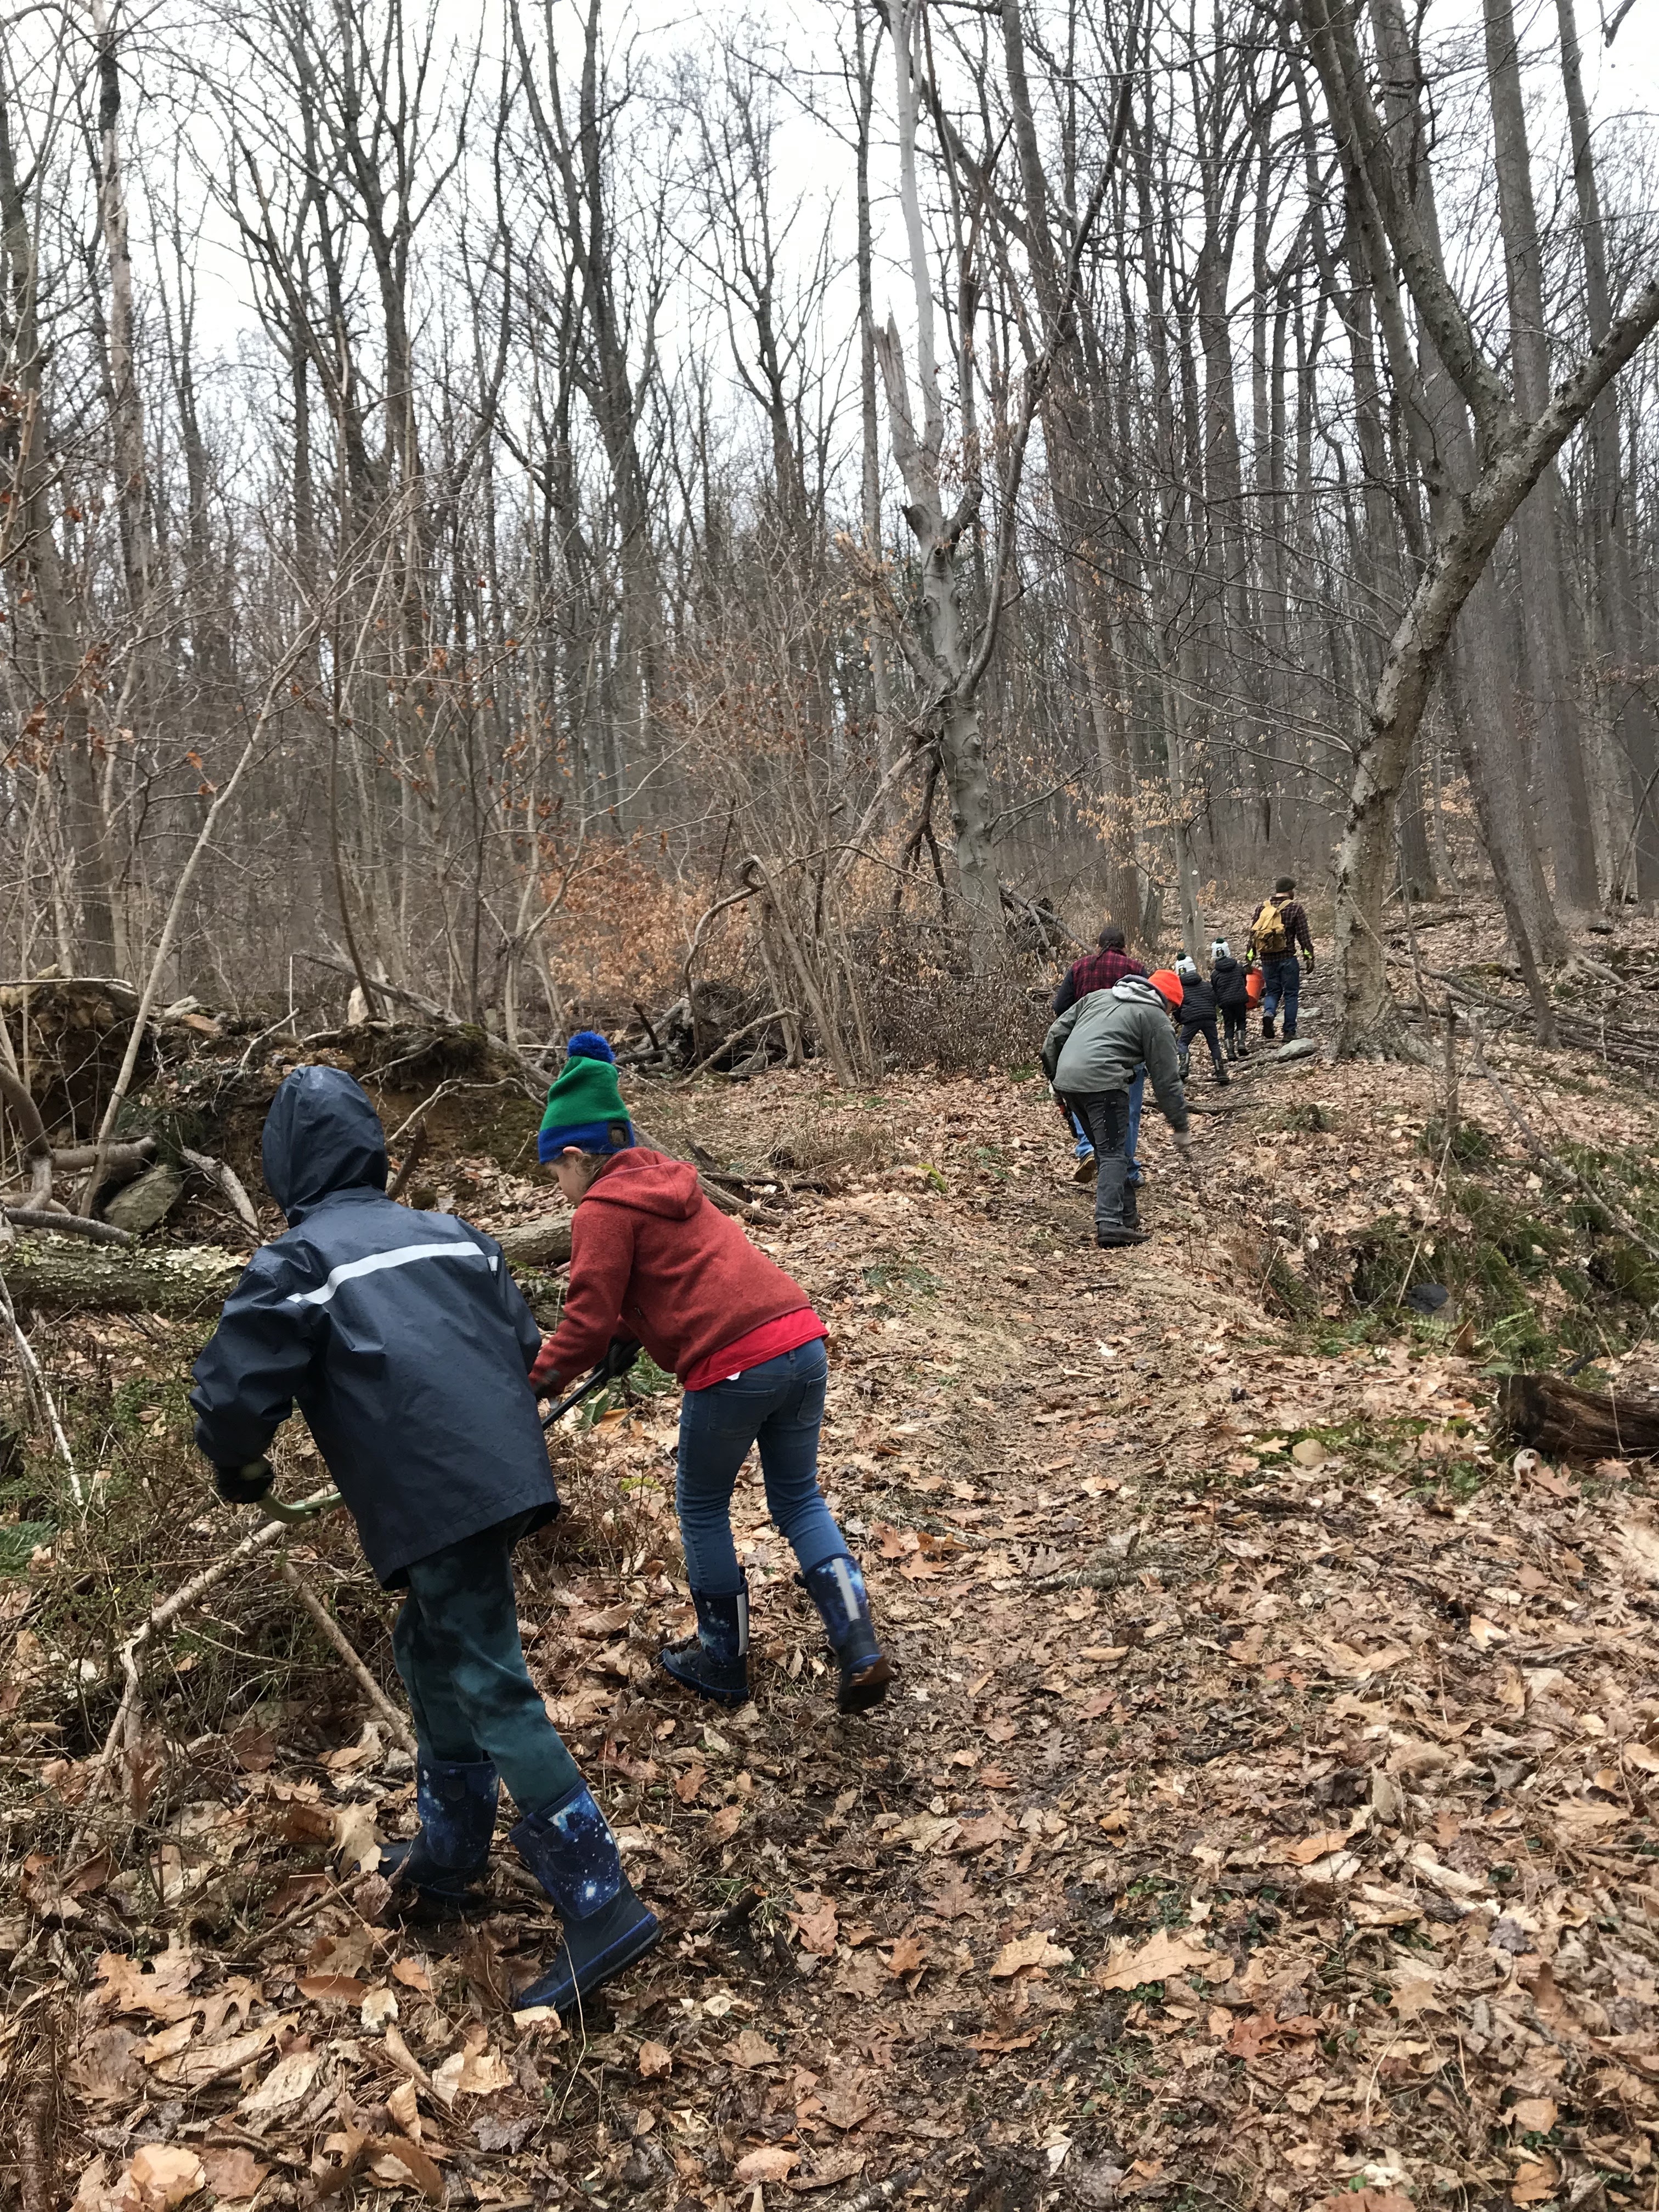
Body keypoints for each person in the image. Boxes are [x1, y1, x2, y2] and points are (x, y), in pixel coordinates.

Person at [189, 1066, 658, 2015]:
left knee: (488, 1676)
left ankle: (601, 1900)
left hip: (433, 1494)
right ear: (371, 1144)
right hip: (499, 1476)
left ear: (284, 1164)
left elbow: (237, 1390)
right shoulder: (454, 1236)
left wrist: (238, 1468)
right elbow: (522, 1344)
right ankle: (450, 1853)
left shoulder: (299, 1262)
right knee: (428, 1644)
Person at [527, 1034, 891, 1717]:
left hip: (734, 1368)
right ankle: (859, 1644)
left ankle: (723, 1660)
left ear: (576, 1156)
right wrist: (626, 1339)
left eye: (556, 1174)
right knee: (799, 1500)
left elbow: (582, 1321)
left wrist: (531, 1386)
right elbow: (681, 1275)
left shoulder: (600, 1211)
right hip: (802, 1342)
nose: (559, 1188)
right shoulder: (666, 1180)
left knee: (700, 1508)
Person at [1041, 970, 1194, 1247]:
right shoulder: (1155, 1018)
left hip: (1069, 1082)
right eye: (1173, 1008)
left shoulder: (1098, 998)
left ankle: (1127, 1214)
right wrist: (1180, 1126)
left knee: (1105, 1148)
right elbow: (1167, 1080)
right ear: (1168, 1001)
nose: (1171, 1014)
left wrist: (1055, 1080)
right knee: (1113, 1152)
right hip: (1105, 1084)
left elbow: (1055, 1034)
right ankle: (1109, 1224)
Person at [1052, 926, 1149, 1191]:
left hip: (1083, 1046)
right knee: (1128, 1111)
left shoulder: (1080, 968)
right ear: (1124, 946)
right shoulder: (1136, 969)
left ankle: (1088, 1149)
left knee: (1084, 1104)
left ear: (1099, 945)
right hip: (1126, 1051)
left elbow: (1060, 1007)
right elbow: (1149, 1007)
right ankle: (1127, 1168)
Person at [1247, 876, 1316, 1042]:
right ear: (1290, 890)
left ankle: (1269, 1013)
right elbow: (1303, 936)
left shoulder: (1261, 909)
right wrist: (1309, 957)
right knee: (1291, 994)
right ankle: (1289, 1031)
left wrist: (1250, 958)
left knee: (1272, 991)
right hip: (1288, 959)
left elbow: (1253, 936)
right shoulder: (1295, 909)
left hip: (1267, 960)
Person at [1175, 955, 1229, 1086]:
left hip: (1191, 1019)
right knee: (1214, 1045)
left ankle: (1184, 1067)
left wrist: (1180, 1019)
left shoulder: (1180, 989)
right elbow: (1213, 999)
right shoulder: (1205, 985)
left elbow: (1177, 1006)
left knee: (1182, 1043)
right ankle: (1220, 1072)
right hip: (1208, 1018)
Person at [1210, 940, 1251, 1061]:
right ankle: (1241, 1044)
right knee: (1241, 1021)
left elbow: (1215, 989)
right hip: (1240, 1000)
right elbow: (1245, 982)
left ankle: (1230, 1052)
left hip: (1225, 1003)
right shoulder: (1238, 967)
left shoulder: (1215, 974)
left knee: (1229, 1025)